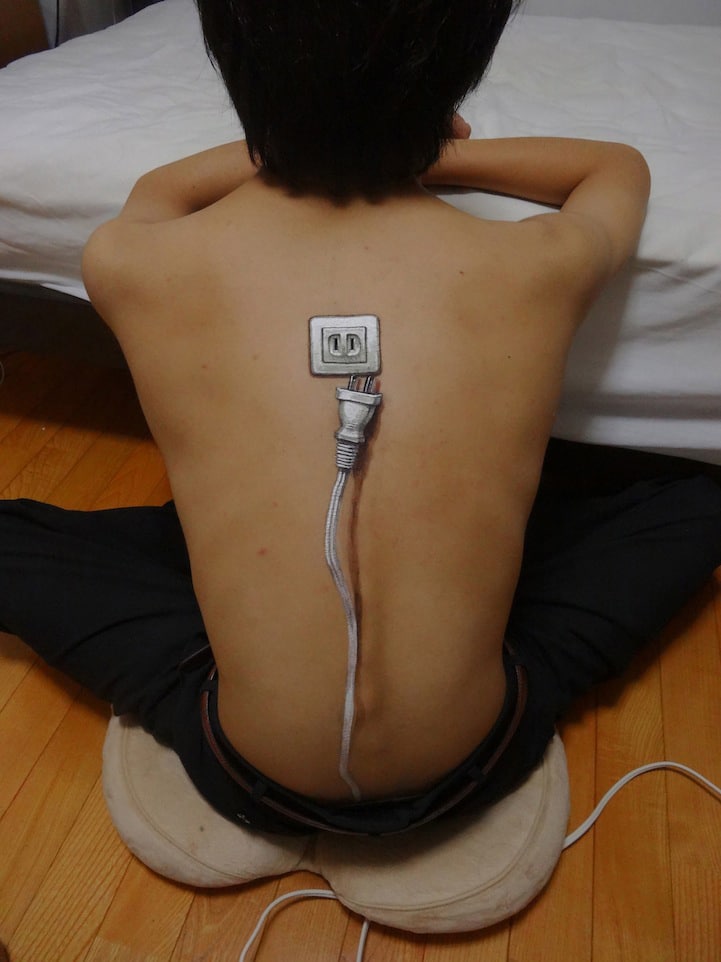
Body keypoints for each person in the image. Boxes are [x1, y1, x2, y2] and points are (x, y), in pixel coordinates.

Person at [1, 0, 720, 836]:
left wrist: (304, 141)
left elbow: (159, 189)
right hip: (479, 756)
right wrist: (420, 147)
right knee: (694, 500)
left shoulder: (128, 259)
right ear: (458, 78)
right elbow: (614, 166)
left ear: (231, 66)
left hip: (242, 768)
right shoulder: (541, 259)